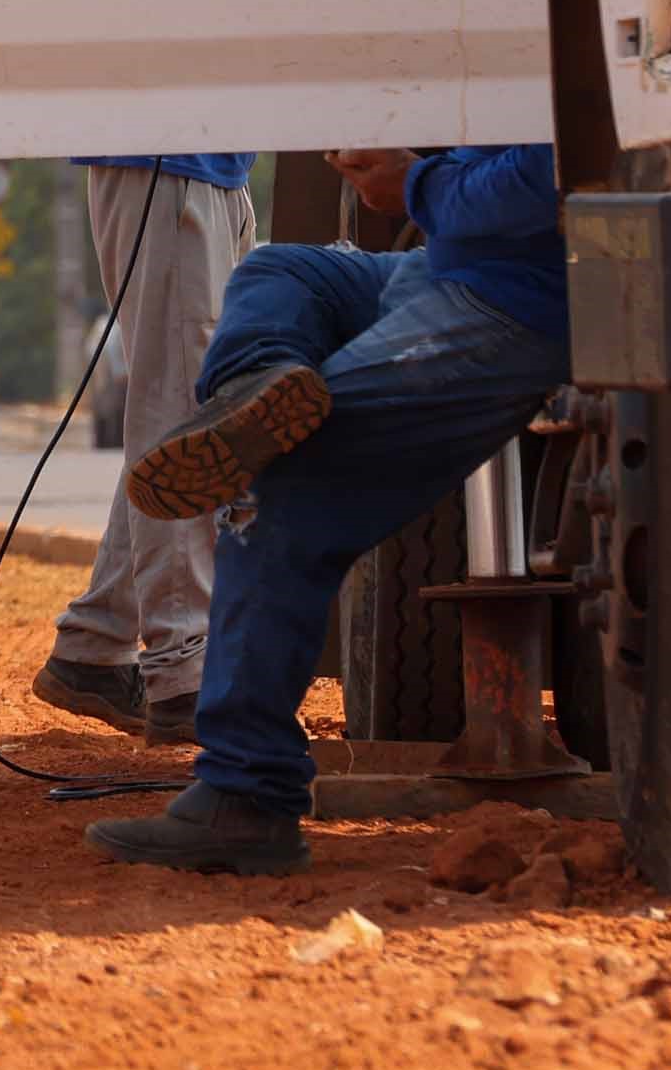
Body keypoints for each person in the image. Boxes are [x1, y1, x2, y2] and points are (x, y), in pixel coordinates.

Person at [83, 143, 568, 876]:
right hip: (443, 268)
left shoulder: (579, 47)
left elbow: (544, 179)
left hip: (511, 301)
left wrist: (416, 183)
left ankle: (246, 797)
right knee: (280, 269)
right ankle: (259, 388)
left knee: (275, 491)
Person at [33, 153, 261, 747]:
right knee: (186, 413)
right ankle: (186, 674)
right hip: (170, 163)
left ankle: (96, 644)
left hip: (215, 169)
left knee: (182, 415)